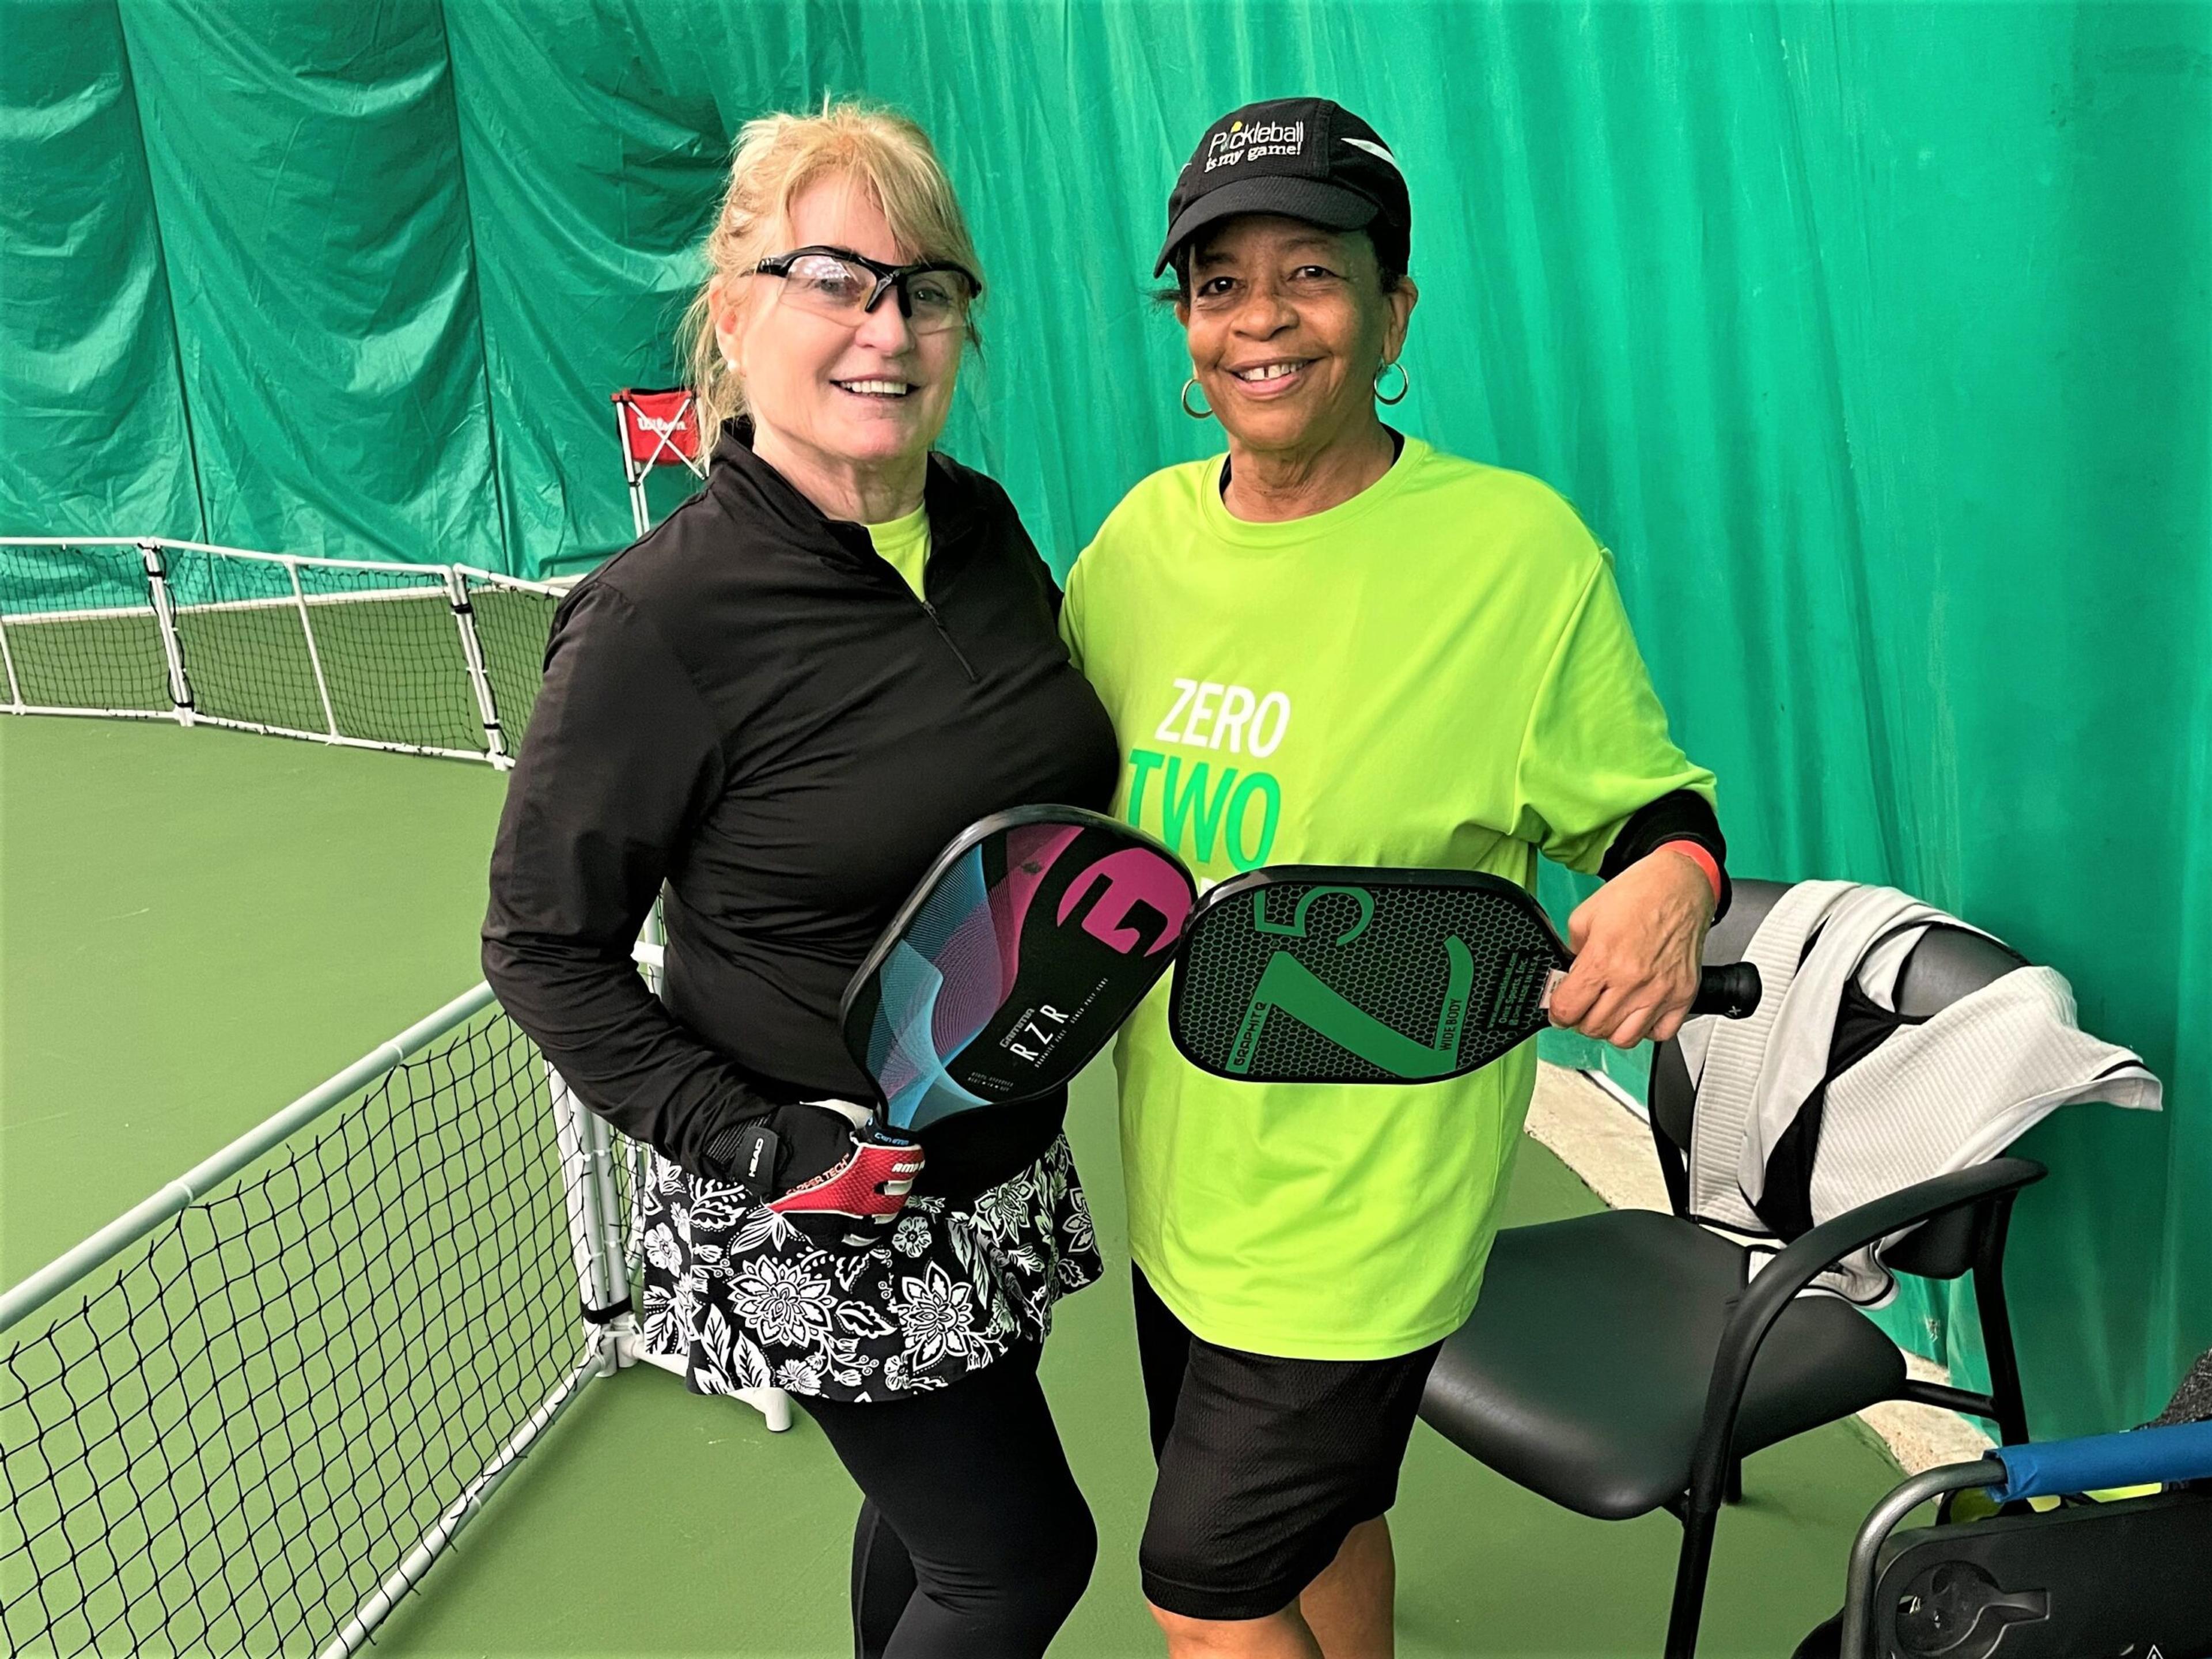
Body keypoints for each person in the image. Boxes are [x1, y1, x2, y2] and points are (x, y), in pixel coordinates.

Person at [1060, 99, 1731, 1659]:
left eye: (1311, 272)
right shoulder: (1138, 548)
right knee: (1328, 1519)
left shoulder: (1513, 554)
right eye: (1219, 284)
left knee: (1206, 1591)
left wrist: (1679, 881)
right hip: (1189, 1183)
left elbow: (1651, 809)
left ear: (1390, 309)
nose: (1260, 320)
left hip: (1372, 1215)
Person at [483, 102, 1112, 1659]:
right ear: (737, 306)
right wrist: (758, 1142)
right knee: (1019, 1559)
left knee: (929, 1523)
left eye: (926, 286)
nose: (886, 329)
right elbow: (539, 946)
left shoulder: (975, 526)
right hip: (818, 1198)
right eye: (834, 277)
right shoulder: (655, 620)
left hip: (991, 1153)